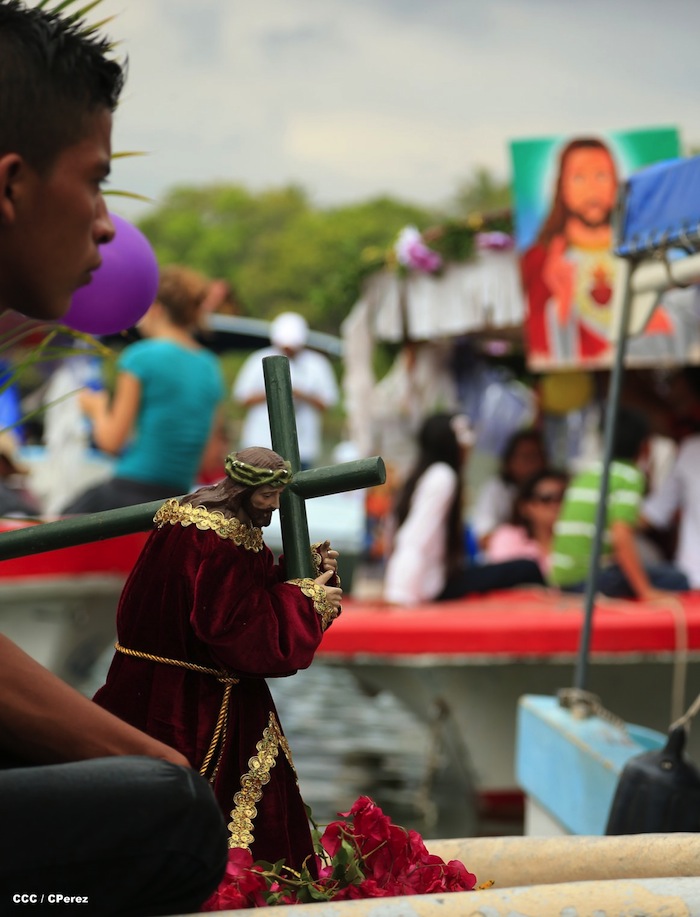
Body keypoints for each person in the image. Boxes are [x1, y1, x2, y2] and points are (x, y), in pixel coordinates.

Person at [0, 2, 227, 914]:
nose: (105, 225)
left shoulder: (147, 359)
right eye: (94, 184)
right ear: (12, 184)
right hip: (151, 488)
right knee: (167, 811)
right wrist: (156, 765)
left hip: (132, 487)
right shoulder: (199, 366)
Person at [93, 447, 343, 871]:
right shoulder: (219, 538)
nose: (275, 506)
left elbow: (232, 594)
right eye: (269, 496)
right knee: (240, 843)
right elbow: (235, 631)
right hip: (200, 705)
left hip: (139, 688)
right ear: (246, 489)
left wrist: (299, 574)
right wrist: (307, 605)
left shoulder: (191, 513)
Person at [62, 264, 225, 513]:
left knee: (50, 532)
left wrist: (96, 408)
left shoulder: (141, 357)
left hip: (131, 489)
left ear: (156, 309)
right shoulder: (210, 367)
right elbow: (210, 456)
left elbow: (111, 443)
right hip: (176, 499)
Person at [521, 137, 673, 366]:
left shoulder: (646, 247)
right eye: (579, 177)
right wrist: (562, 303)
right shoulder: (540, 259)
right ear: (561, 186)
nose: (592, 188)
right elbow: (543, 349)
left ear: (617, 184)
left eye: (602, 175)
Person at [383, 413, 546, 605]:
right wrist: (401, 593)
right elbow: (416, 537)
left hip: (424, 580)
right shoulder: (442, 476)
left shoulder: (421, 476)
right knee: (526, 568)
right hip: (427, 586)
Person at [549, 406, 689, 599]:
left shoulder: (587, 474)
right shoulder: (628, 476)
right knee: (679, 579)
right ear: (644, 445)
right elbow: (621, 536)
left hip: (563, 581)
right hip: (592, 581)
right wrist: (645, 591)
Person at [233, 311, 339, 469]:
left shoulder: (318, 364)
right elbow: (241, 397)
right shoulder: (257, 359)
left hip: (303, 448)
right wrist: (276, 392)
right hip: (260, 446)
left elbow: (328, 402)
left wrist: (301, 394)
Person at [470, 427, 548, 550]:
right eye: (525, 457)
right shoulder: (496, 490)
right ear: (510, 461)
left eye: (535, 456)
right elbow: (483, 536)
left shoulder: (551, 489)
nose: (531, 463)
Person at [486, 468, 569, 578]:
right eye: (546, 499)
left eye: (562, 497)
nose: (556, 505)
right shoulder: (507, 538)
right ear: (526, 506)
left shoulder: (580, 541)